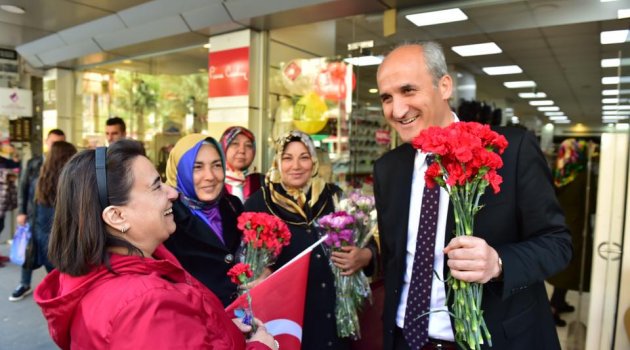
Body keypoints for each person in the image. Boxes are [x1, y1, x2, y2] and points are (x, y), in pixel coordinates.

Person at [374, 42, 572, 350]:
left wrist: (499, 263)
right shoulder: (388, 168)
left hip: (493, 339)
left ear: (444, 86)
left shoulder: (509, 150)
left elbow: (557, 243)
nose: (397, 110)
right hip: (405, 339)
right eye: (387, 97)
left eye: (409, 90)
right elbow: (395, 257)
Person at [34, 139, 277, 350]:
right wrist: (261, 346)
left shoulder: (110, 276)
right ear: (116, 216)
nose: (173, 193)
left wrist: (223, 330)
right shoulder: (145, 305)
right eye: (156, 186)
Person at [244, 130, 374, 350]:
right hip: (287, 322)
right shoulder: (259, 203)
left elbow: (365, 239)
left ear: (314, 161)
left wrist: (365, 256)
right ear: (277, 161)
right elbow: (246, 262)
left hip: (333, 318)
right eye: (287, 158)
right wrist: (260, 271)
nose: (296, 165)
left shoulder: (333, 196)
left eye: (304, 157)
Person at [164, 134, 244, 307]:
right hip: (198, 323)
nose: (210, 176)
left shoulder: (233, 206)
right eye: (197, 167)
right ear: (179, 171)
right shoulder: (167, 218)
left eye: (216, 165)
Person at [9, 141, 77, 300]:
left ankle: (51, 293)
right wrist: (22, 212)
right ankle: (42, 290)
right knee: (57, 273)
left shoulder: (42, 178)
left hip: (41, 231)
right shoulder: (69, 181)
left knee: (48, 267)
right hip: (57, 236)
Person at [220, 126, 264, 203]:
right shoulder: (213, 182)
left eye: (248, 145)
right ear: (223, 148)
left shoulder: (261, 183)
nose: (242, 150)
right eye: (235, 144)